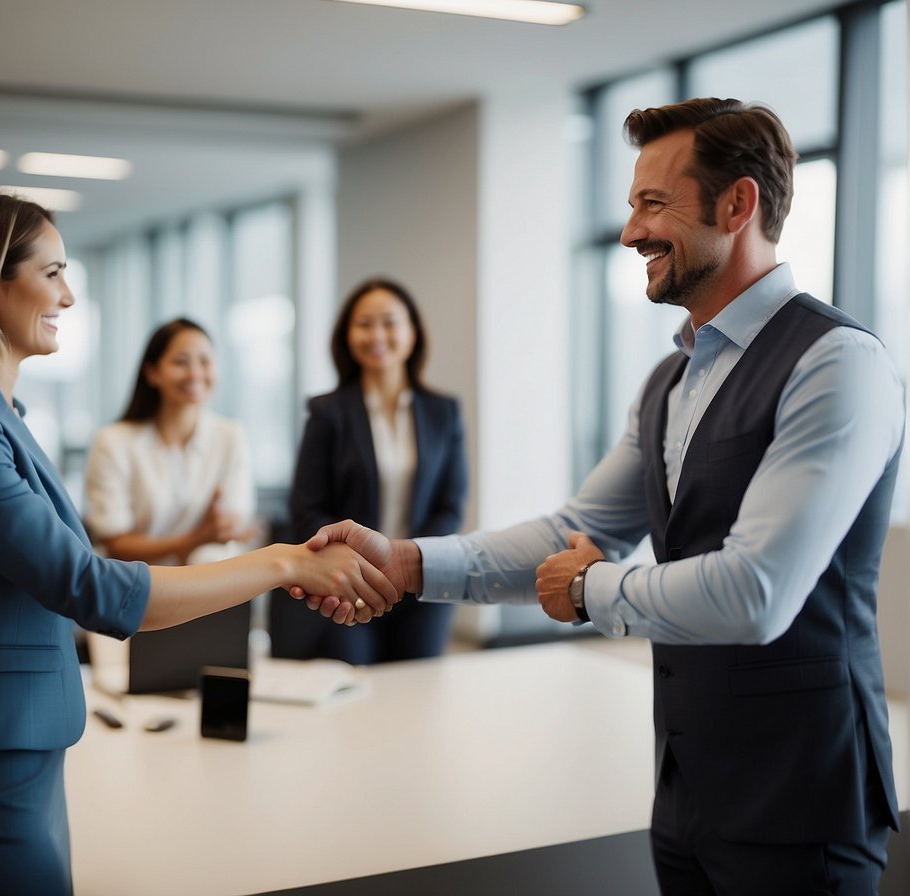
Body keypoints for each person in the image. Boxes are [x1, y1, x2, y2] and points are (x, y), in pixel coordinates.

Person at [300, 98, 905, 894]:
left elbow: (755, 592)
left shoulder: (836, 364)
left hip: (802, 796)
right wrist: (408, 564)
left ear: (738, 203)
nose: (630, 233)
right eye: (630, 208)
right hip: (686, 789)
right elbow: (575, 528)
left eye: (653, 204)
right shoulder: (672, 378)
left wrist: (588, 587)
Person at [0, 188, 397, 896]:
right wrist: (283, 562)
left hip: (20, 747)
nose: (70, 295)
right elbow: (88, 586)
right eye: (52, 272)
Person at [270, 277, 467, 664]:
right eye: (364, 323)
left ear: (412, 333)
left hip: (423, 581)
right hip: (350, 583)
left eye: (390, 322)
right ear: (347, 336)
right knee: (354, 691)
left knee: (418, 691)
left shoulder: (444, 411)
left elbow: (452, 504)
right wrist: (362, 567)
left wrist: (404, 562)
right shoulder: (327, 412)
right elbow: (307, 507)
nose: (377, 334)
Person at [84, 318, 257, 568]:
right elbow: (115, 543)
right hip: (135, 586)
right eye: (181, 362)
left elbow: (230, 525)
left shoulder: (231, 436)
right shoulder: (111, 442)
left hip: (209, 586)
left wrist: (228, 529)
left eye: (205, 361)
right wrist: (195, 539)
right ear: (152, 373)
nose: (195, 373)